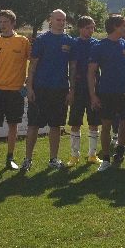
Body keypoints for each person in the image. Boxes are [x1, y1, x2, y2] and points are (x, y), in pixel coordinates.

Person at [22, 10, 77, 171]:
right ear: (50, 20)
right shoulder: (41, 40)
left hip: (60, 89)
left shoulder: (69, 41)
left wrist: (71, 90)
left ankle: (53, 159)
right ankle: (27, 159)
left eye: (63, 20)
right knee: (33, 125)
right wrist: (29, 87)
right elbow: (32, 66)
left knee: (55, 125)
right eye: (58, 19)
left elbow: (73, 68)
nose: (61, 22)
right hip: (40, 89)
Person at [0, 10, 31, 171]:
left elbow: (32, 62)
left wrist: (27, 82)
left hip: (15, 91)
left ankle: (10, 158)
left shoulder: (23, 41)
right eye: (0, 22)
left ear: (13, 23)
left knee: (13, 125)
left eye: (5, 22)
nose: (2, 25)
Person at [88, 14, 125, 172]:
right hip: (106, 93)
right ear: (115, 26)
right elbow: (91, 72)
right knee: (106, 126)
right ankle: (106, 160)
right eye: (124, 25)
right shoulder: (99, 46)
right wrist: (93, 95)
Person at [66, 16, 102, 167]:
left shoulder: (97, 44)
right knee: (75, 121)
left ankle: (92, 154)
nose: (91, 30)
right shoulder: (74, 44)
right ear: (80, 28)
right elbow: (72, 67)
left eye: (92, 27)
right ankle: (74, 155)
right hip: (79, 87)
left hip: (94, 88)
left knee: (94, 122)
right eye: (88, 28)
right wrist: (71, 89)